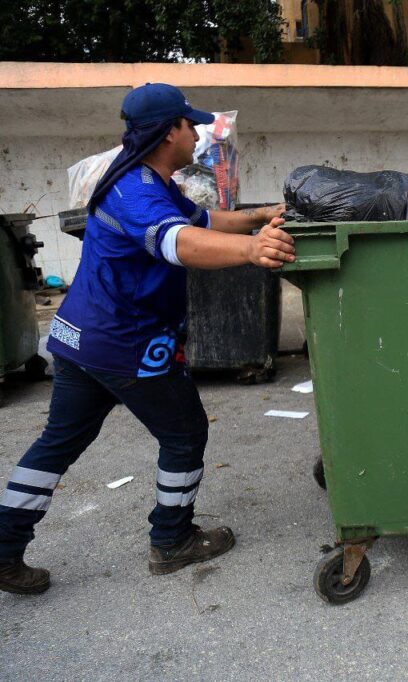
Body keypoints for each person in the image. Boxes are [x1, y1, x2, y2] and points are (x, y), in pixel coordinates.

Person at [0, 83, 295, 595]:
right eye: (189, 123)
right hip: (125, 343)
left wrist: (258, 215)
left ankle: (2, 549)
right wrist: (252, 250)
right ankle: (172, 540)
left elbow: (201, 220)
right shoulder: (136, 192)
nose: (197, 131)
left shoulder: (146, 180)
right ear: (167, 133)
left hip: (77, 337)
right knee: (184, 434)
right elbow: (178, 241)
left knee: (59, 441)